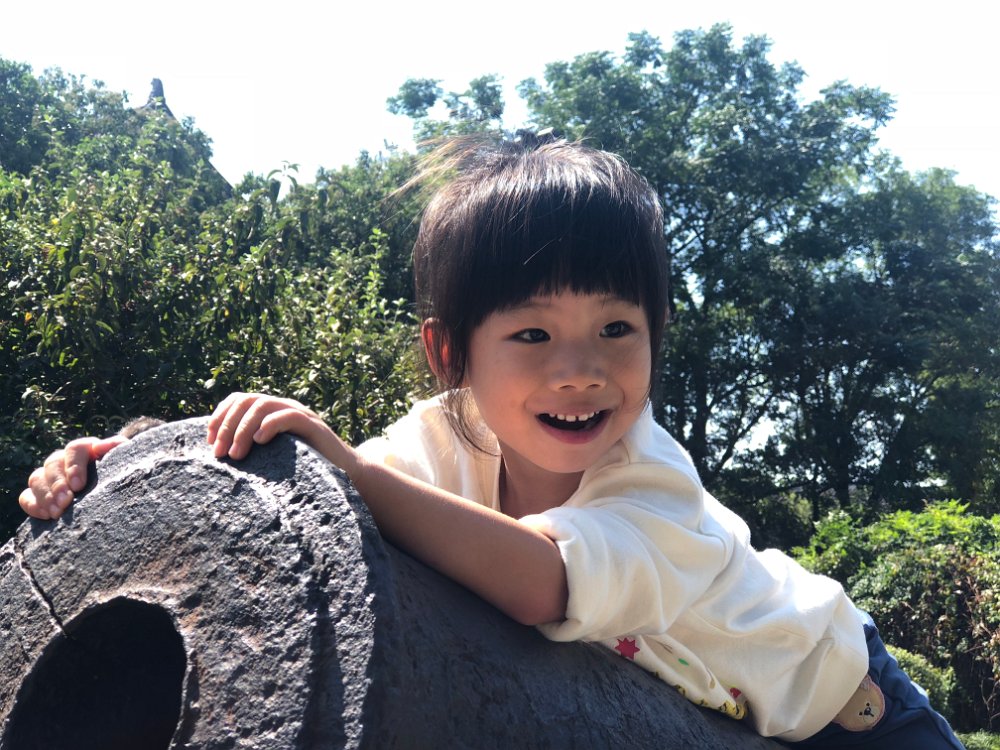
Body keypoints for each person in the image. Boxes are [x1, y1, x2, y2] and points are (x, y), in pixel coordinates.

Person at [18, 134, 962, 747]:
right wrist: (133, 463)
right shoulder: (441, 445)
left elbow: (541, 581)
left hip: (847, 706)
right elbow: (316, 506)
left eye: (617, 329)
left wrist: (347, 465)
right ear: (450, 353)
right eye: (533, 334)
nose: (580, 370)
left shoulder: (654, 482)